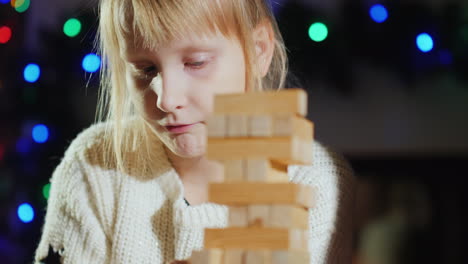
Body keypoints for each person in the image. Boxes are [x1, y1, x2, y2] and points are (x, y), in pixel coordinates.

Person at [34, 0, 356, 263]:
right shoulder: (93, 165)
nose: (167, 98)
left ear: (258, 51)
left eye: (196, 63)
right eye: (146, 69)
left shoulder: (318, 181)